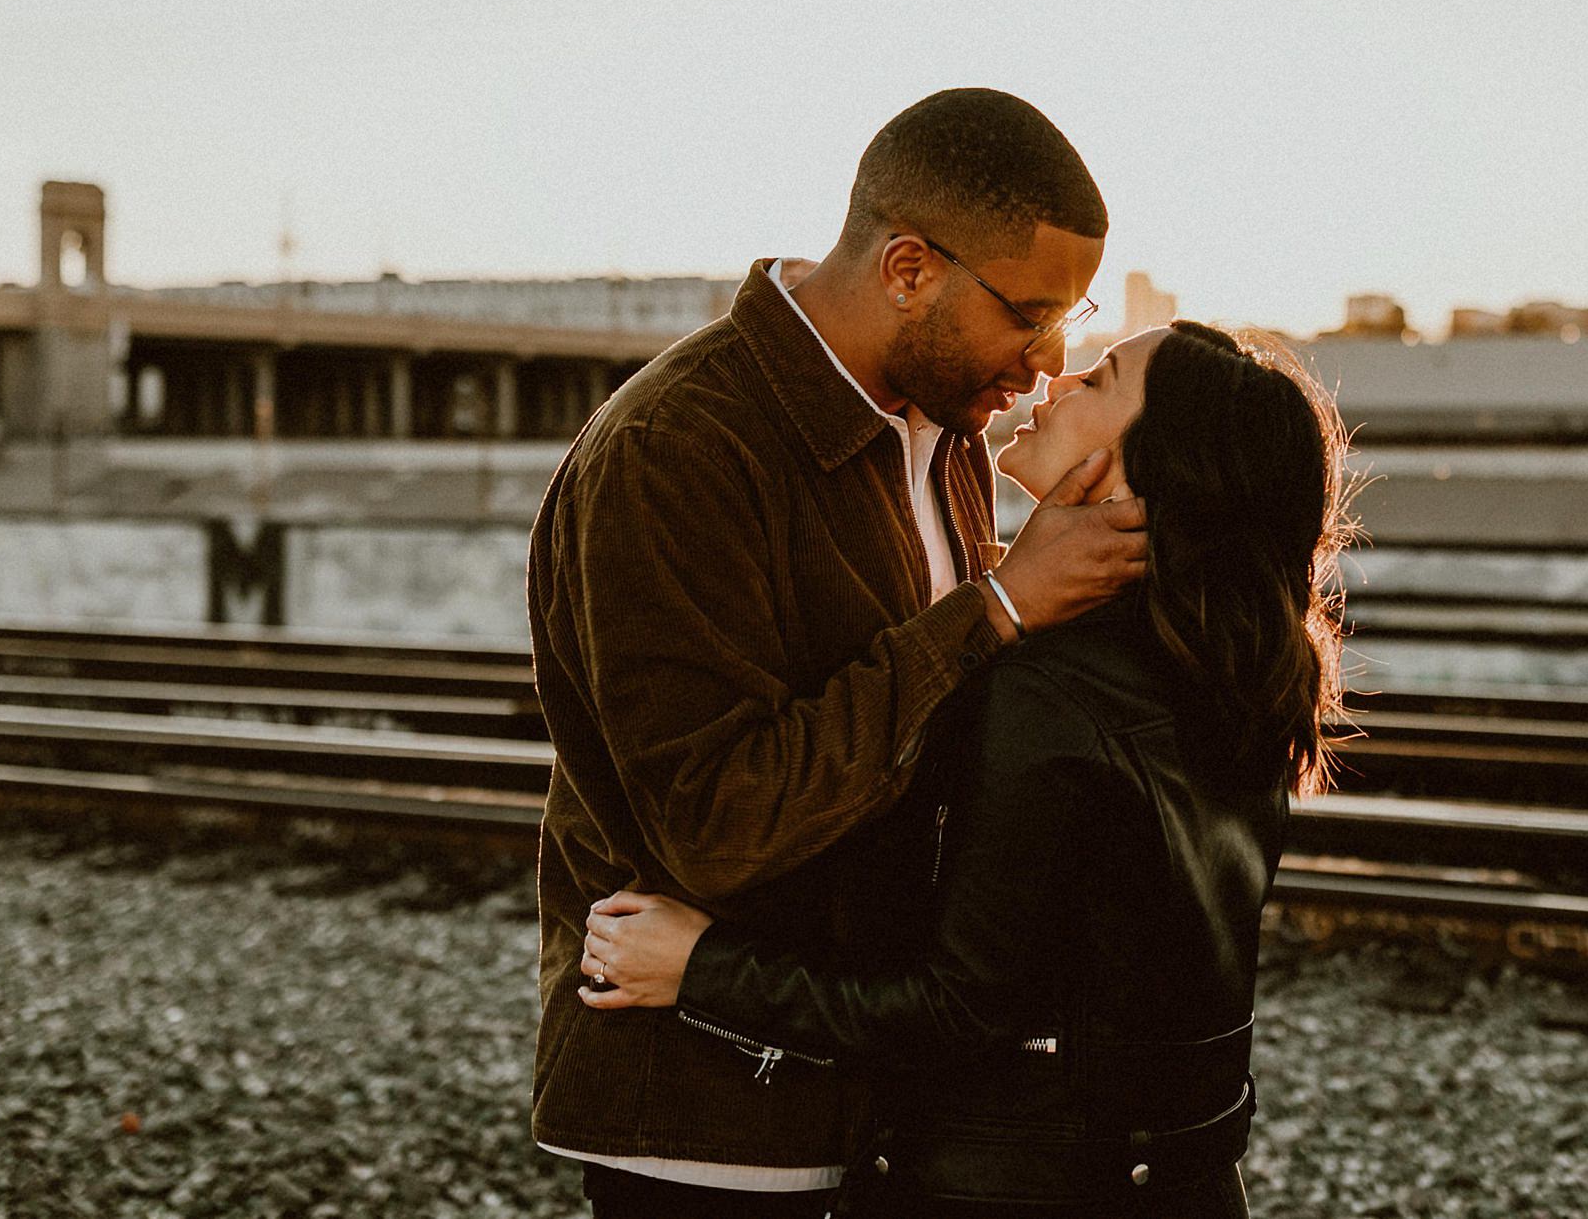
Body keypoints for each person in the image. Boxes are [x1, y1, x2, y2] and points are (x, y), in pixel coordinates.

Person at [530, 88, 1151, 1218]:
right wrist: (998, 609)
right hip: (709, 1116)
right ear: (908, 268)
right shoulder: (678, 446)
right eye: (1027, 311)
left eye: (1075, 311)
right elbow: (715, 819)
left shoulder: (944, 432)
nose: (1049, 355)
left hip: (880, 1101)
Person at [578, 320, 1354, 1218]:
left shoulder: (1048, 694)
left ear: (1137, 466)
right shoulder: (1234, 677)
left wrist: (700, 968)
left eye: (1097, 380)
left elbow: (955, 1013)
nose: (1055, 378)